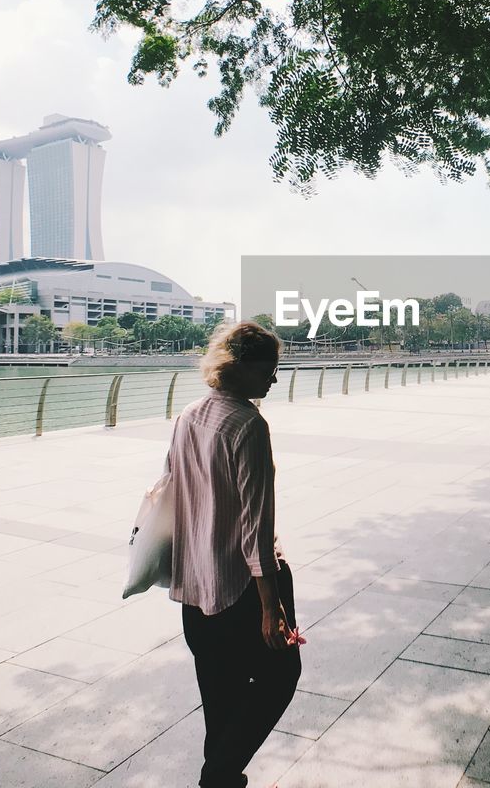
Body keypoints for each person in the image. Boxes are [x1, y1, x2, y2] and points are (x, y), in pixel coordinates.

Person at [169, 321, 301, 788]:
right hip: (242, 586)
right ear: (240, 368)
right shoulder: (248, 424)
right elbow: (255, 527)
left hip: (194, 583)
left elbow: (171, 490)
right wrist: (272, 606)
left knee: (219, 693)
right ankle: (218, 776)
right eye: (268, 369)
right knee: (282, 675)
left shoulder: (189, 414)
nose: (273, 379)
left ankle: (222, 779)